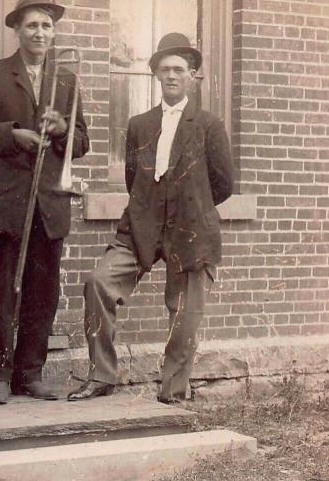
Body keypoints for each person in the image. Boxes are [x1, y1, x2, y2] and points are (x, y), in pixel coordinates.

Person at [67, 32, 234, 403]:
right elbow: (133, 179)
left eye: (179, 69)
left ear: (192, 75)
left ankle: (173, 391)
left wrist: (188, 204)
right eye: (164, 70)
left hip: (190, 230)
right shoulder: (140, 124)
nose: (172, 76)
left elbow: (223, 185)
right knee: (98, 282)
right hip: (141, 227)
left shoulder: (209, 125)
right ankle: (102, 376)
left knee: (184, 313)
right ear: (156, 75)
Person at [0, 0, 89, 405]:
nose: (39, 32)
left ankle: (28, 375)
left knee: (42, 292)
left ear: (54, 32)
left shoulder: (66, 79)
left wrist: (62, 130)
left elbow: (82, 142)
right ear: (16, 29)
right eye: (31, 24)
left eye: (47, 25)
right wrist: (13, 134)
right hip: (5, 203)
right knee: (3, 290)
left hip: (49, 203)